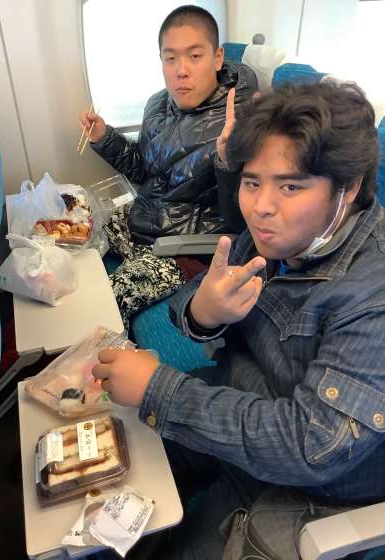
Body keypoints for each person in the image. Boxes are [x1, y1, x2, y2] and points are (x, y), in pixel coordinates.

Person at [92, 79, 385, 559]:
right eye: (252, 182)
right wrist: (203, 314)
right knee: (109, 472)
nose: (260, 207)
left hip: (309, 484)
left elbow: (310, 445)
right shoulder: (282, 234)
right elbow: (195, 304)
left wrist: (157, 389)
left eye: (290, 186)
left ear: (347, 188)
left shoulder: (373, 297)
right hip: (235, 397)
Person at [80, 5, 258, 328]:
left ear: (217, 58)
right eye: (170, 58)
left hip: (187, 251)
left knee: (101, 306)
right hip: (147, 223)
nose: (181, 70)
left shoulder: (241, 120)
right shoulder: (158, 104)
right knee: (77, 235)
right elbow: (146, 170)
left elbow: (243, 221)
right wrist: (104, 138)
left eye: (195, 56)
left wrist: (227, 162)